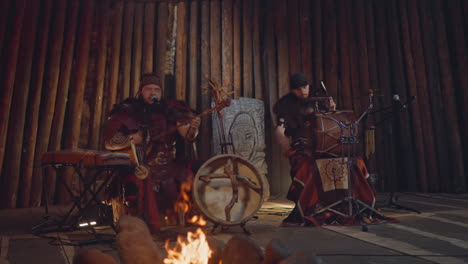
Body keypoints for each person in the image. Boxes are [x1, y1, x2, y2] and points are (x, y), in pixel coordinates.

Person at [273, 72, 375, 226]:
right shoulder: (285, 104)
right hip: (302, 146)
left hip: (326, 145)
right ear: (293, 90)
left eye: (305, 87)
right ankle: (312, 207)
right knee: (307, 166)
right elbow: (279, 131)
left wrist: (332, 109)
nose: (303, 91)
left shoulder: (318, 98)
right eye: (298, 89)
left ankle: (349, 206)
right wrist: (288, 148)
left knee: (355, 162)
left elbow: (331, 122)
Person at [103, 73, 200, 232]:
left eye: (156, 89)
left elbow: (188, 136)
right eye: (148, 89)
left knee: (189, 173)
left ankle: (183, 223)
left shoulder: (171, 112)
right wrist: (133, 139)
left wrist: (194, 127)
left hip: (169, 167)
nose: (153, 92)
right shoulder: (128, 111)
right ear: (141, 92)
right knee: (137, 179)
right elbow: (109, 142)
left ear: (161, 93)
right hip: (140, 166)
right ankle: (140, 224)